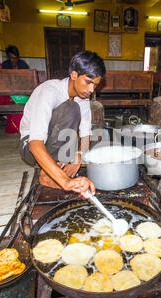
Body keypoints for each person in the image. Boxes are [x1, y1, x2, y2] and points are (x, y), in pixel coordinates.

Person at [20, 51, 106, 196]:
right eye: (88, 82)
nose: (91, 90)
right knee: (70, 108)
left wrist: (77, 160)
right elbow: (35, 144)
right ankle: (48, 174)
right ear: (74, 75)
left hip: (56, 149)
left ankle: (56, 167)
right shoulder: (50, 91)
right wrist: (66, 182)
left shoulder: (83, 98)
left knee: (89, 121)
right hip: (30, 148)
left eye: (95, 85)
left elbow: (85, 133)